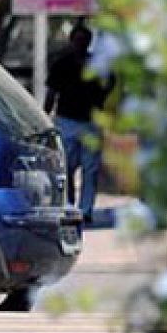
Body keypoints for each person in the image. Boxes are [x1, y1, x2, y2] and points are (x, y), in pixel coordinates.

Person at [45, 24, 114, 222]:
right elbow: (52, 92)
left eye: (84, 40)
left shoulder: (97, 65)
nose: (80, 44)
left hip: (90, 122)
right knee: (67, 166)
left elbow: (110, 83)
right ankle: (68, 204)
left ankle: (86, 209)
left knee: (90, 169)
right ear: (72, 41)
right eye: (77, 40)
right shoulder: (62, 64)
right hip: (67, 121)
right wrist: (46, 117)